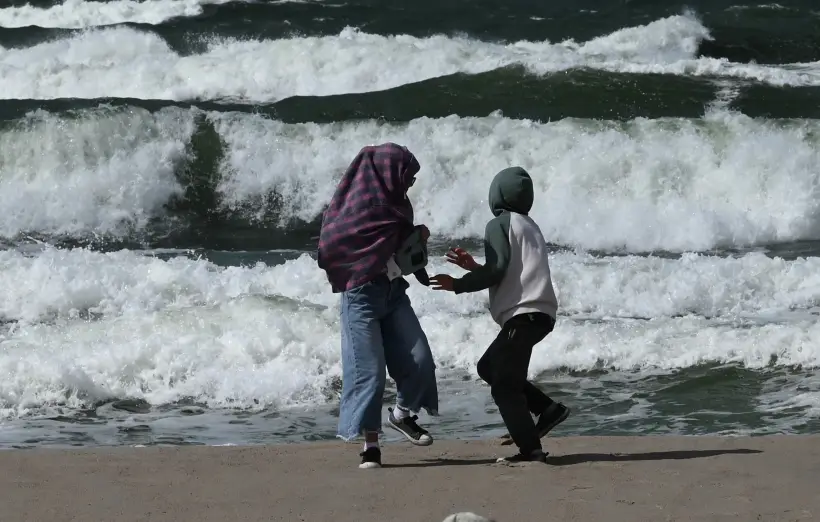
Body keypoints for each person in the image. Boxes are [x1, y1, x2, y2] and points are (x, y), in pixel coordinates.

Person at [429, 166, 570, 463]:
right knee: (489, 367)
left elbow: (497, 271)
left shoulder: (499, 224)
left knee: (504, 386)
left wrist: (458, 284)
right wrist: (474, 269)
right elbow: (508, 273)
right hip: (540, 314)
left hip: (523, 315)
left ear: (498, 194)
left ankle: (531, 450)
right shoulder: (530, 225)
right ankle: (547, 410)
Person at [317, 142, 439, 469]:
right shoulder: (350, 208)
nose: (410, 182)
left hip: (394, 292)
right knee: (369, 373)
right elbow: (329, 248)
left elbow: (400, 246)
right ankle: (371, 447)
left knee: (421, 360)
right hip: (360, 297)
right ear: (386, 172)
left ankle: (401, 415)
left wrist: (419, 246)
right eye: (406, 175)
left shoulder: (398, 204)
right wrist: (354, 272)